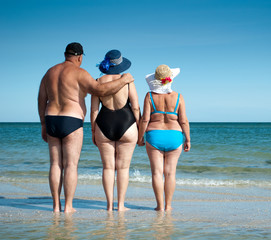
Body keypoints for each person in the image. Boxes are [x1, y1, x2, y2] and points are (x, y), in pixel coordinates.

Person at [37, 42, 134, 213]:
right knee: (71, 165)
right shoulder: (79, 73)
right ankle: (68, 207)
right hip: (71, 119)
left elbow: (41, 99)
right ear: (80, 57)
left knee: (55, 164)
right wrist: (125, 79)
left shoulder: (49, 73)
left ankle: (55, 206)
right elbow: (100, 90)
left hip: (51, 117)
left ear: (66, 54)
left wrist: (43, 124)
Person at [91, 50, 140, 211]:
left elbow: (94, 111)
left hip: (103, 123)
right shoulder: (127, 80)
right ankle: (120, 205)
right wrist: (139, 127)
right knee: (123, 168)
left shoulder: (97, 81)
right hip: (127, 122)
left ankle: (109, 205)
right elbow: (135, 106)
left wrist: (93, 131)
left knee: (108, 167)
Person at [137, 64, 191, 211]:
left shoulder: (149, 96)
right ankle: (168, 206)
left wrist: (140, 137)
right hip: (174, 135)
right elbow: (184, 121)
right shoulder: (179, 97)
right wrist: (188, 139)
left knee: (156, 172)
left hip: (154, 135)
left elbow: (144, 120)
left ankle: (159, 206)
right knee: (170, 173)